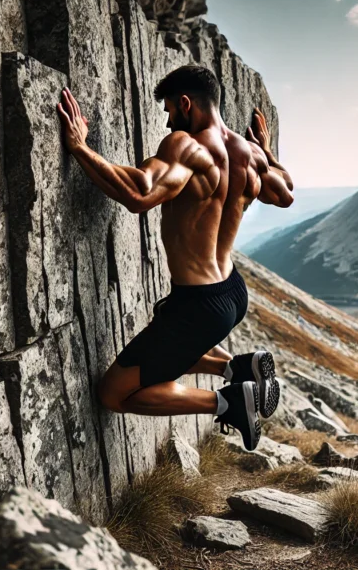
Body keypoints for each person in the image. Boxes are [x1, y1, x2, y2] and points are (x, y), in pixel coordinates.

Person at [57, 65, 294, 451]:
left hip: (199, 306)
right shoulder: (251, 155)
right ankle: (237, 366)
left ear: (186, 103)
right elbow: (285, 194)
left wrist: (80, 148)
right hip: (232, 293)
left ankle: (229, 401)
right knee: (166, 338)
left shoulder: (188, 147)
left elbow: (140, 193)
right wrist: (267, 150)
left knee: (113, 394)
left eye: (169, 110)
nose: (168, 121)